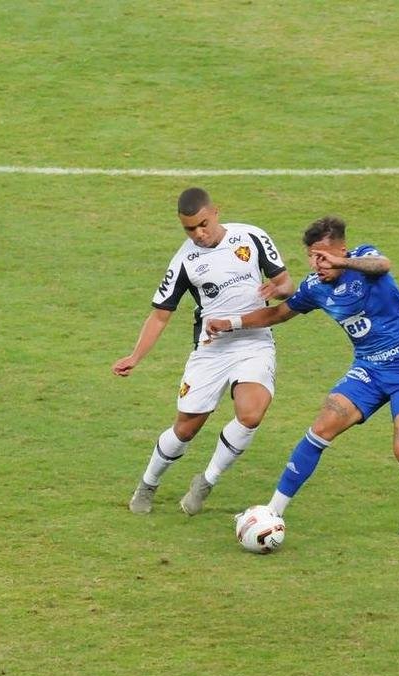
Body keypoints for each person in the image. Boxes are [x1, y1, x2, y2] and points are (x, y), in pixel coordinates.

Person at [206, 216, 399, 537]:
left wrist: (343, 262)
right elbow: (277, 313)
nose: (318, 264)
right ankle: (273, 511)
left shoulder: (365, 261)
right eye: (312, 256)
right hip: (368, 369)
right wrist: (230, 323)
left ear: (342, 250)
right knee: (320, 428)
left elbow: (383, 264)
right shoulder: (315, 287)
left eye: (325, 256)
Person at [112, 187, 294, 515]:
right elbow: (160, 314)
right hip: (211, 350)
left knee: (251, 413)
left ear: (216, 212)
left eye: (203, 224)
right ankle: (148, 483)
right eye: (189, 229)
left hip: (254, 341)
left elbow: (286, 284)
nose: (198, 233)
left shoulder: (252, 237)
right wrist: (135, 356)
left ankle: (206, 481)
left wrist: (278, 288)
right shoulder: (185, 260)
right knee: (186, 428)